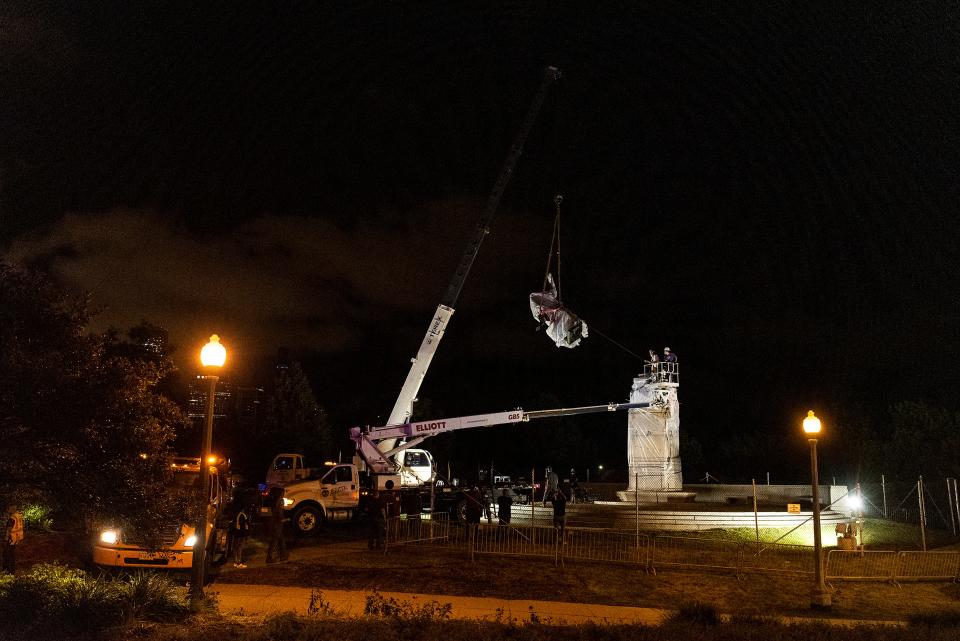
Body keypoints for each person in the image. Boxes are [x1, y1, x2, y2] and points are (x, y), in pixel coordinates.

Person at [265, 486, 288, 563]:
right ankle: (270, 557)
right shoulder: (280, 501)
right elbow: (280, 516)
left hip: (272, 522)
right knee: (275, 541)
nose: (284, 494)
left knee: (280, 539)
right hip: (278, 524)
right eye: (283, 493)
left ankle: (283, 555)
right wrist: (287, 519)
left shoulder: (271, 501)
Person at [2, 504, 24, 574]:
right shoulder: (18, 515)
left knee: (8, 554)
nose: (8, 510)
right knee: (11, 554)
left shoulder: (12, 518)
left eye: (9, 508)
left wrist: (5, 539)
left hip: (11, 538)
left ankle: (9, 571)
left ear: (12, 509)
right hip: (17, 538)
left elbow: (9, 529)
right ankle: (10, 569)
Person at [231, 502, 251, 568]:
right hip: (241, 534)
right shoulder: (242, 515)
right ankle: (239, 563)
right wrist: (246, 534)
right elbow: (244, 525)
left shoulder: (237, 514)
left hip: (237, 533)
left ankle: (235, 562)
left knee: (235, 547)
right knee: (239, 548)